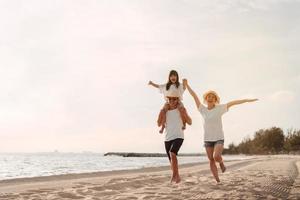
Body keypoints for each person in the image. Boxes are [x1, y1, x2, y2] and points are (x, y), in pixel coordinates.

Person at [183, 79, 258, 182]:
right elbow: (194, 96)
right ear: (206, 99)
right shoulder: (202, 109)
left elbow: (234, 102)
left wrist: (247, 100)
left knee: (216, 156)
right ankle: (217, 180)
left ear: (215, 100)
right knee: (211, 160)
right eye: (209, 97)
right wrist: (187, 85)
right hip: (207, 139)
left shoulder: (220, 108)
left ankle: (221, 162)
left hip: (218, 137)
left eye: (212, 97)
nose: (210, 98)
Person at [162, 90, 186, 183]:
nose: (172, 100)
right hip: (168, 137)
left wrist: (184, 124)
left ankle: (173, 177)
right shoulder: (165, 110)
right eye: (170, 99)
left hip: (178, 135)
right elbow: (162, 120)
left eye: (174, 99)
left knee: (172, 153)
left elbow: (185, 116)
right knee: (171, 160)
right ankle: (178, 177)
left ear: (177, 100)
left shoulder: (180, 109)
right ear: (168, 100)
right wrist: (162, 128)